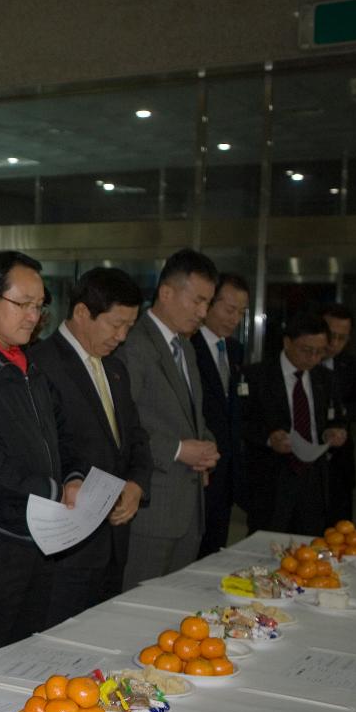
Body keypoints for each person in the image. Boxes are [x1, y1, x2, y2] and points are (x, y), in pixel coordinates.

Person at [0, 250, 84, 650]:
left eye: (40, 306)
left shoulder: (28, 360)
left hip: (41, 534)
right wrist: (49, 489)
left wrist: (73, 477)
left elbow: (63, 431)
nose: (34, 315)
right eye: (24, 304)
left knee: (30, 649)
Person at [31, 267, 152, 615]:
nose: (123, 336)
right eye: (116, 325)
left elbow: (136, 440)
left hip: (114, 543)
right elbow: (49, 450)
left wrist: (137, 485)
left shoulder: (115, 369)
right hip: (69, 548)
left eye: (129, 326)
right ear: (83, 313)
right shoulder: (41, 365)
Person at [115, 249, 219, 588]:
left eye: (208, 303)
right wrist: (176, 450)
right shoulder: (134, 342)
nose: (204, 313)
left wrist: (207, 446)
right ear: (166, 293)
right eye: (198, 301)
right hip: (153, 507)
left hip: (188, 506)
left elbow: (192, 417)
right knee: (138, 611)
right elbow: (120, 422)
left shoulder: (185, 347)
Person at [241, 311, 347, 535]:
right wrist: (269, 438)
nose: (313, 358)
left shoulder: (324, 378)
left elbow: (337, 417)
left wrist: (334, 432)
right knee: (265, 546)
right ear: (287, 342)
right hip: (271, 479)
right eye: (307, 350)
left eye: (320, 352)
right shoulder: (257, 376)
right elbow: (243, 422)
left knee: (309, 546)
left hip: (313, 478)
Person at [191, 273, 249, 555]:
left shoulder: (235, 351)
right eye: (229, 309)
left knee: (217, 551)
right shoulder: (189, 346)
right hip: (198, 468)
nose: (235, 318)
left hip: (226, 474)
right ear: (209, 305)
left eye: (241, 312)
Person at [319, 303, 356, 525]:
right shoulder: (301, 360)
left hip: (339, 462)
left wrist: (340, 413)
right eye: (330, 335)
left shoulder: (352, 365)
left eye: (342, 338)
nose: (334, 344)